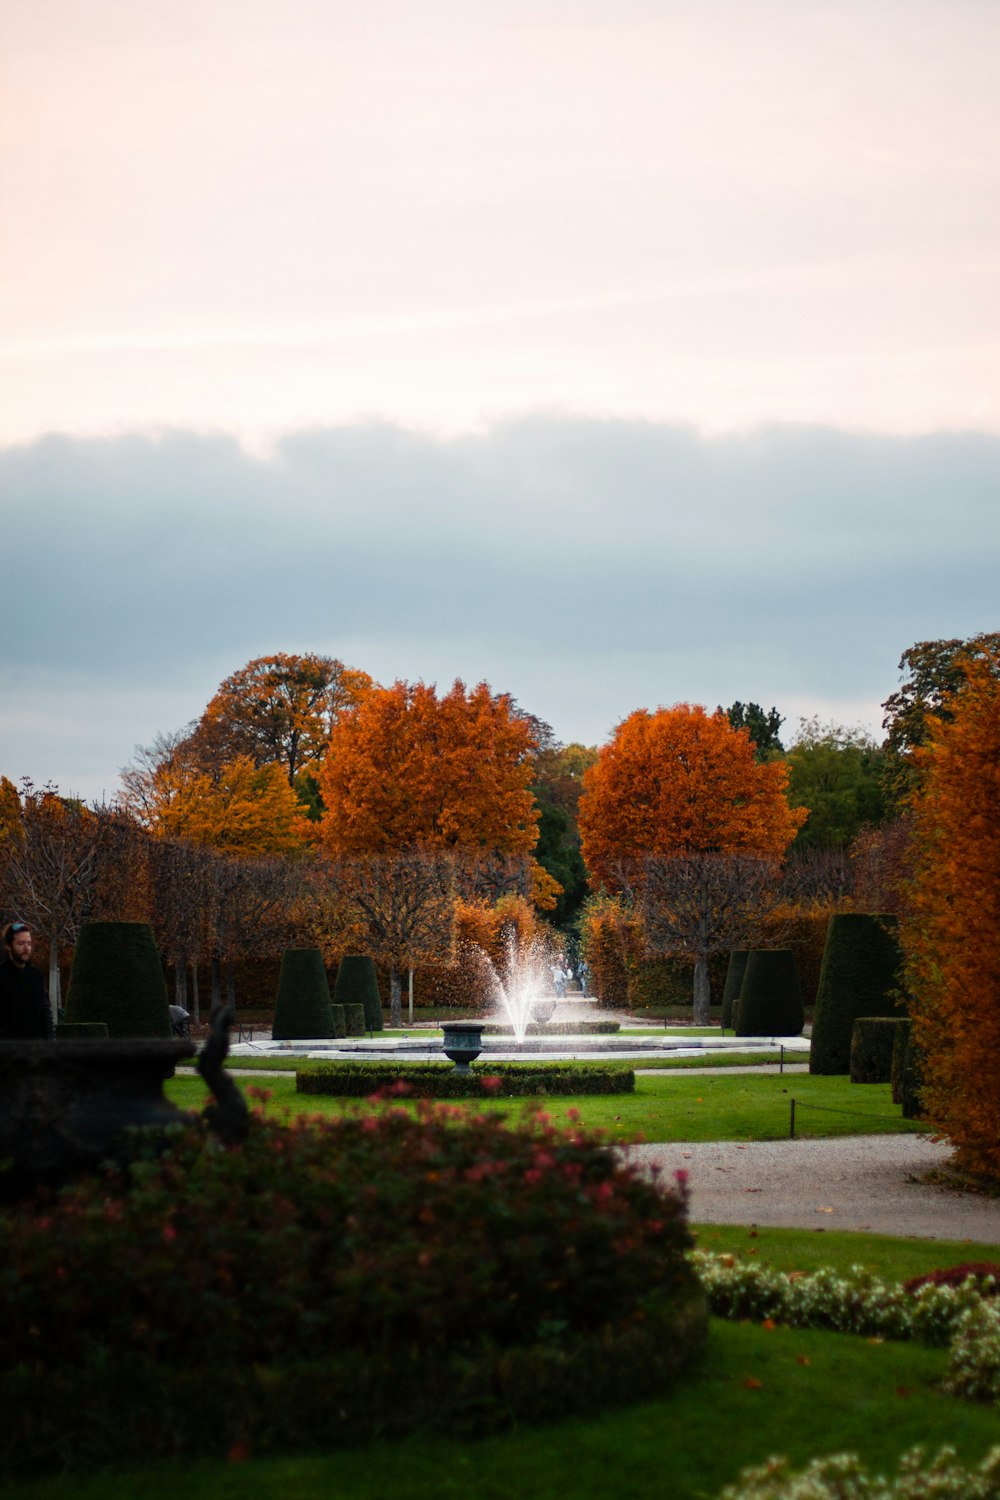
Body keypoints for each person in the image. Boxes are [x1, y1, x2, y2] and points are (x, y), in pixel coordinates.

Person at [0, 922, 54, 1039]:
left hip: (36, 1049)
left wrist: (51, 1044)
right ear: (8, 946)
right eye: (20, 943)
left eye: (29, 943)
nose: (26, 948)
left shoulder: (36, 976)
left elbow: (45, 1014)